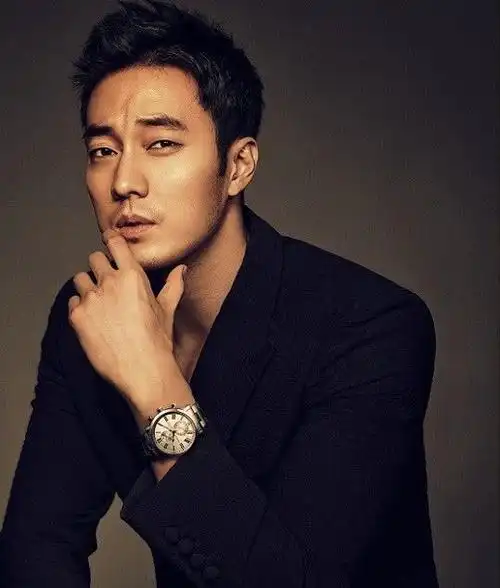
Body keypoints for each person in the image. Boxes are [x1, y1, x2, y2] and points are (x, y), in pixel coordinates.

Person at [0, 1, 439, 586]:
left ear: (238, 166)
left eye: (161, 144)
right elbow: (37, 547)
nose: (123, 182)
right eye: (103, 150)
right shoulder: (91, 312)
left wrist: (154, 386)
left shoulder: (371, 327)